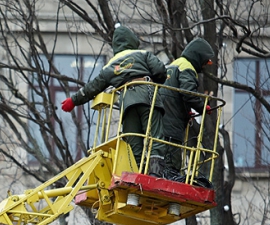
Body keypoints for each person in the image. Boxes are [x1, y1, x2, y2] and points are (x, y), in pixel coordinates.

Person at [61, 25, 166, 175]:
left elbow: (92, 87)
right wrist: (157, 83)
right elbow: (160, 71)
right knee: (155, 136)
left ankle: (137, 176)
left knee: (133, 143)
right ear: (132, 40)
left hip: (127, 103)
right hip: (147, 94)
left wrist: (74, 100)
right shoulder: (142, 54)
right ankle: (155, 174)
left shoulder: (110, 67)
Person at [158, 38, 215, 180]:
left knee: (159, 159)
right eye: (204, 62)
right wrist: (203, 107)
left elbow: (175, 95)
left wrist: (186, 110)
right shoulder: (187, 67)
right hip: (172, 126)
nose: (204, 66)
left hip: (160, 121)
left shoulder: (173, 65)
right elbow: (187, 92)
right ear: (198, 56)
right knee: (171, 165)